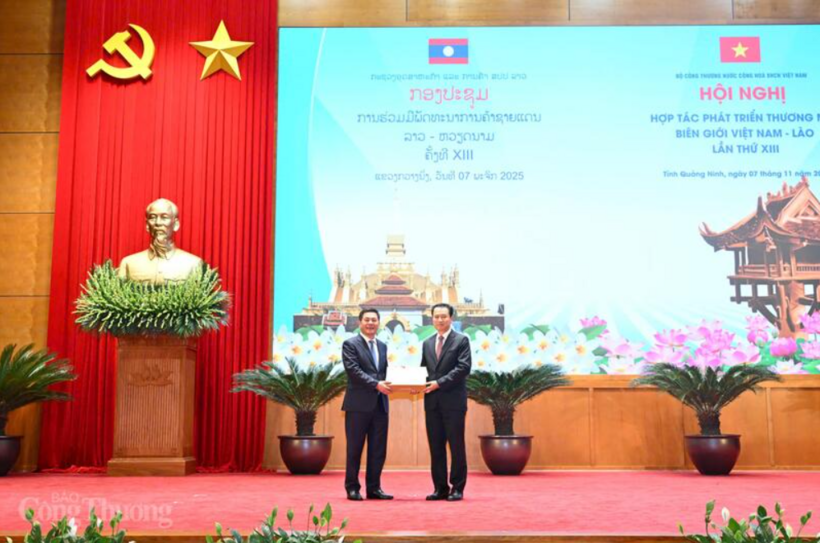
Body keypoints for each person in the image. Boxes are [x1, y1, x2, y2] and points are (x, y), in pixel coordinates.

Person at [341, 308, 393, 501]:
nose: (371, 323)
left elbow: (384, 373)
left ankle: (374, 488)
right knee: (354, 449)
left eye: (374, 320)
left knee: (378, 450)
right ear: (359, 322)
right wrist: (376, 384)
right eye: (367, 320)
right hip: (358, 406)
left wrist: (404, 381)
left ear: (379, 323)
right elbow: (353, 370)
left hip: (380, 405)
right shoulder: (350, 344)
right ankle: (352, 487)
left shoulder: (382, 346)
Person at [421, 302, 472, 501]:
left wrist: (439, 383)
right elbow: (424, 371)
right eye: (436, 316)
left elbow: (463, 368)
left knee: (456, 445)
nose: (440, 320)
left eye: (444, 316)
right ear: (432, 318)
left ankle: (457, 488)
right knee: (436, 446)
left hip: (454, 403)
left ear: (451, 318)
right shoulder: (427, 343)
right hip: (432, 403)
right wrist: (414, 383)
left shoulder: (461, 340)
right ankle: (440, 488)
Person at [117, 198, 203, 284]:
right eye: (153, 218)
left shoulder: (193, 264)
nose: (158, 223)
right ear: (147, 225)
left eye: (164, 217)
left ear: (176, 224)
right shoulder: (129, 263)